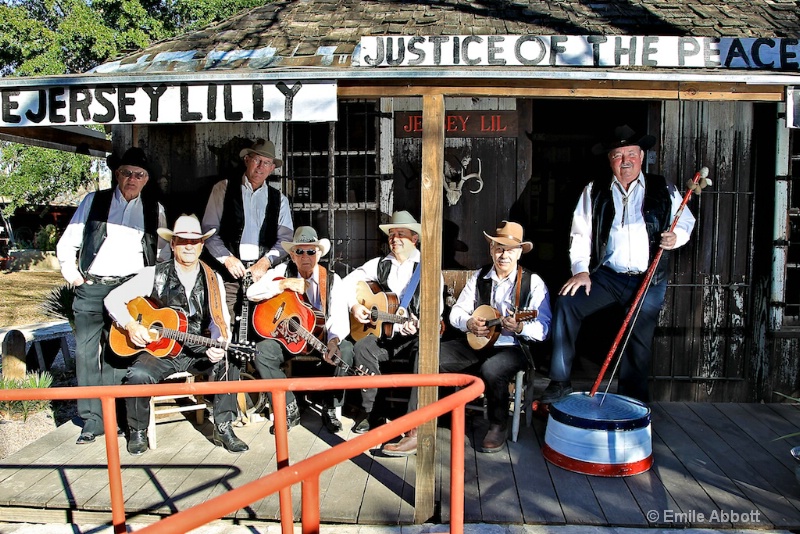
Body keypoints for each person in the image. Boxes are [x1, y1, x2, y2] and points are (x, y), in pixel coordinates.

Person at [541, 125, 696, 405]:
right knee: (568, 302)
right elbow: (581, 232)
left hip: (648, 279)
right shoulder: (595, 190)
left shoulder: (663, 188)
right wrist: (581, 271)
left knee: (638, 340)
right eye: (618, 155)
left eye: (631, 153)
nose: (626, 160)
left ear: (641, 156)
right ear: (610, 159)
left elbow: (685, 219)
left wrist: (677, 237)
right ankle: (559, 380)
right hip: (608, 277)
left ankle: (632, 403)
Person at [383, 221, 552, 456]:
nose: (504, 254)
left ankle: (497, 425)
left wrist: (521, 326)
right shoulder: (479, 276)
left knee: (493, 369)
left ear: (519, 252)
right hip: (477, 343)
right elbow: (456, 313)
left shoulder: (533, 282)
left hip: (513, 347)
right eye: (499, 248)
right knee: (428, 355)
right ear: (491, 249)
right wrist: (469, 323)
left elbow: (543, 328)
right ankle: (416, 427)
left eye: (510, 249)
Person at [104, 215, 248, 456]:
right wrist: (130, 325)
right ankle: (137, 431)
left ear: (202, 245)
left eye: (195, 241)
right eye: (182, 241)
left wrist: (219, 344)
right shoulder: (154, 274)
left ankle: (223, 428)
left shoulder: (214, 279)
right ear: (172, 244)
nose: (189, 246)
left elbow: (219, 321)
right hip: (160, 349)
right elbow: (112, 299)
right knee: (138, 374)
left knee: (227, 359)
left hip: (196, 347)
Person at [56, 147, 167, 445]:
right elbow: (68, 242)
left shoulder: (154, 209)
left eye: (139, 174)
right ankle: (92, 421)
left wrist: (147, 285)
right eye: (127, 172)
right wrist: (74, 275)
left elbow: (161, 255)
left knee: (119, 353)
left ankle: (116, 416)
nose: (132, 179)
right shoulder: (95, 201)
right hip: (93, 285)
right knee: (86, 353)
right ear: (117, 174)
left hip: (129, 290)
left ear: (147, 179)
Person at [341, 210, 443, 434]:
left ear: (414, 239)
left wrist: (420, 323)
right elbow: (346, 283)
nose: (394, 238)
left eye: (401, 234)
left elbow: (437, 311)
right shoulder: (380, 264)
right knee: (362, 347)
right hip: (385, 336)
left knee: (424, 351)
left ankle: (413, 421)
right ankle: (371, 412)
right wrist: (355, 306)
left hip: (413, 337)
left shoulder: (428, 268)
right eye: (391, 234)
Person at [246, 226, 354, 434]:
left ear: (318, 254)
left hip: (319, 340)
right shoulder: (281, 272)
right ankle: (288, 407)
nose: (306, 256)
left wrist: (333, 342)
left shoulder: (332, 280)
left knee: (347, 350)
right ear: (292, 255)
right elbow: (252, 292)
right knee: (261, 352)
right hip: (288, 339)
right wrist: (282, 285)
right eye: (300, 251)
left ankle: (330, 406)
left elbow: (339, 318)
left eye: (311, 251)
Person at [201, 138, 294, 335]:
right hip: (228, 273)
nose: (261, 167)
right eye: (257, 160)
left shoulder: (280, 200)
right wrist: (227, 258)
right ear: (247, 160)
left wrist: (265, 263)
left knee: (263, 325)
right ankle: (227, 365)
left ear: (272, 169)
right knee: (224, 326)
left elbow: (285, 241)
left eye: (267, 163)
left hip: (263, 274)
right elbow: (208, 231)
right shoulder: (223, 189)